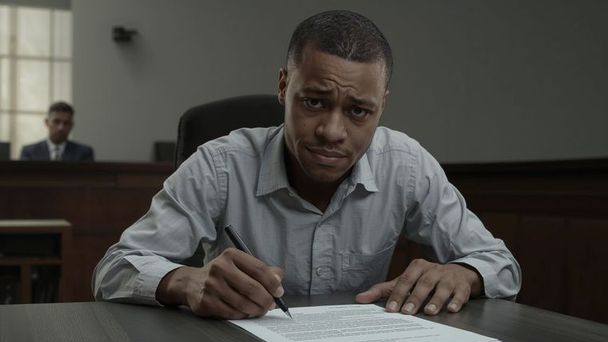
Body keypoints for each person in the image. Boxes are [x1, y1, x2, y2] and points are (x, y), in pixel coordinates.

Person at [93, 10, 521, 319]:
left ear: (382, 107)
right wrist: (185, 283)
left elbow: (499, 263)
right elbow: (114, 269)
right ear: (284, 86)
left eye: (358, 111)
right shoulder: (220, 165)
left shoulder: (406, 165)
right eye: (315, 101)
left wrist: (464, 274)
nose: (332, 131)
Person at [20, 101, 94, 161]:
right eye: (56, 122)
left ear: (72, 125)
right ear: (46, 122)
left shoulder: (84, 152)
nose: (61, 127)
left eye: (66, 123)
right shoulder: (30, 152)